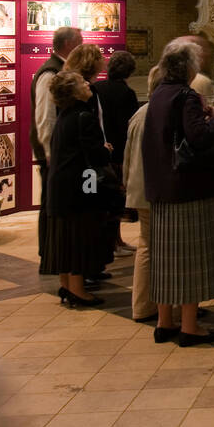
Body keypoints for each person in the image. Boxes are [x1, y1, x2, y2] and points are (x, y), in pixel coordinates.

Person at [143, 39, 214, 346]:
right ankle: (190, 327)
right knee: (191, 258)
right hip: (187, 188)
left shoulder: (159, 95)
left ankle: (165, 323)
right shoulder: (185, 96)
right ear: (189, 68)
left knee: (166, 260)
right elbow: (199, 136)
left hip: (162, 188)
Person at [39, 71, 111, 309]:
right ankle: (79, 290)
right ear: (73, 90)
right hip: (80, 185)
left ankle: (67, 285)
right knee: (79, 235)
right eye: (82, 82)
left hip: (61, 186)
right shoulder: (84, 116)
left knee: (64, 237)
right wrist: (106, 149)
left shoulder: (65, 116)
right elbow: (95, 155)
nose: (88, 84)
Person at [30, 26, 82, 265]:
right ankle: (48, 253)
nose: (82, 46)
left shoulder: (61, 70)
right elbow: (45, 116)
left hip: (62, 152)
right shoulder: (49, 73)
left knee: (58, 204)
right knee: (51, 204)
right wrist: (50, 151)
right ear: (69, 45)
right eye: (79, 42)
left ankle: (57, 254)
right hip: (54, 153)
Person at [123, 64, 162, 322]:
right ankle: (158, 306)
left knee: (146, 246)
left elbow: (127, 157)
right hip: (154, 190)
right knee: (155, 248)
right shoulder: (160, 114)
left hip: (138, 189)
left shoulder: (140, 113)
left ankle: (142, 305)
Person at [97, 50, 139, 256]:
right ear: (130, 71)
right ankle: (114, 243)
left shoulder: (97, 87)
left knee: (107, 199)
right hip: (119, 151)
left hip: (102, 149)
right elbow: (128, 126)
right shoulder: (126, 93)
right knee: (115, 198)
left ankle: (117, 240)